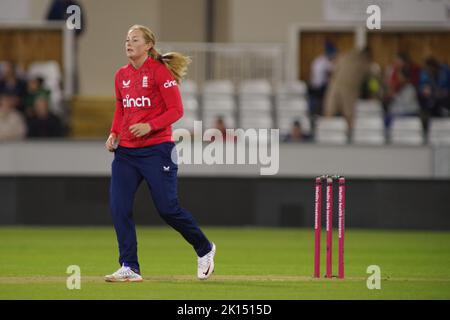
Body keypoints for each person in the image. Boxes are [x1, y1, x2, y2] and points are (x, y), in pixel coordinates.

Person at [104, 25, 215, 282]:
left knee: (168, 209)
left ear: (148, 46)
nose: (128, 44)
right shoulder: (120, 75)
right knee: (118, 207)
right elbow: (121, 109)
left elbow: (176, 110)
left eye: (134, 40)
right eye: (126, 39)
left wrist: (150, 126)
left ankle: (205, 248)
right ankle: (129, 266)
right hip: (126, 154)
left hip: (157, 150)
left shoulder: (159, 72)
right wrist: (114, 134)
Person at [323, 47, 372, 135]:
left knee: (330, 111)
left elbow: (334, 71)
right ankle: (349, 136)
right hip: (349, 89)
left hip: (334, 87)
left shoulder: (343, 57)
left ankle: (326, 133)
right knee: (349, 114)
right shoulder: (364, 63)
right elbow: (371, 80)